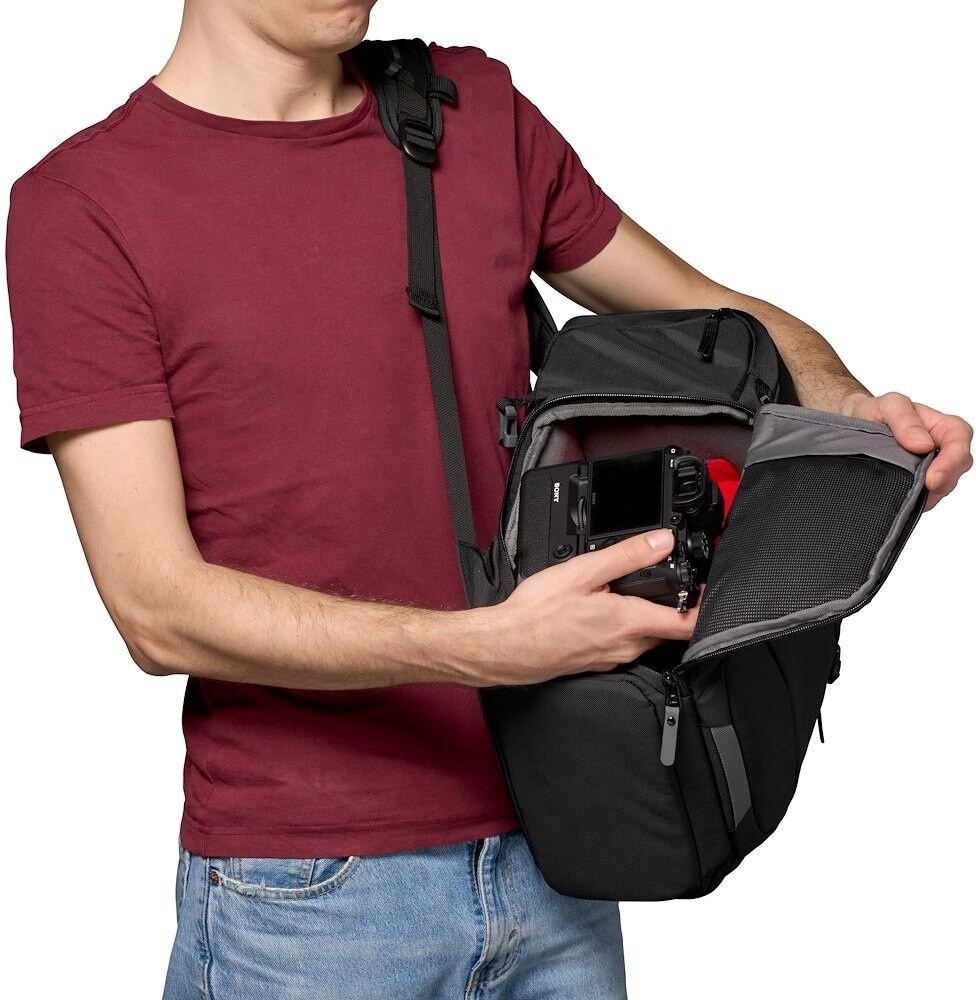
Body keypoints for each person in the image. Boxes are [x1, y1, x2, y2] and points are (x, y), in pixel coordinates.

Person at [6, 1, 972, 997]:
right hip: (306, 895)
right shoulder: (82, 206)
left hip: (564, 841)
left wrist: (847, 408)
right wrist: (485, 647)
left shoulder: (472, 109)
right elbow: (156, 608)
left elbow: (713, 315)